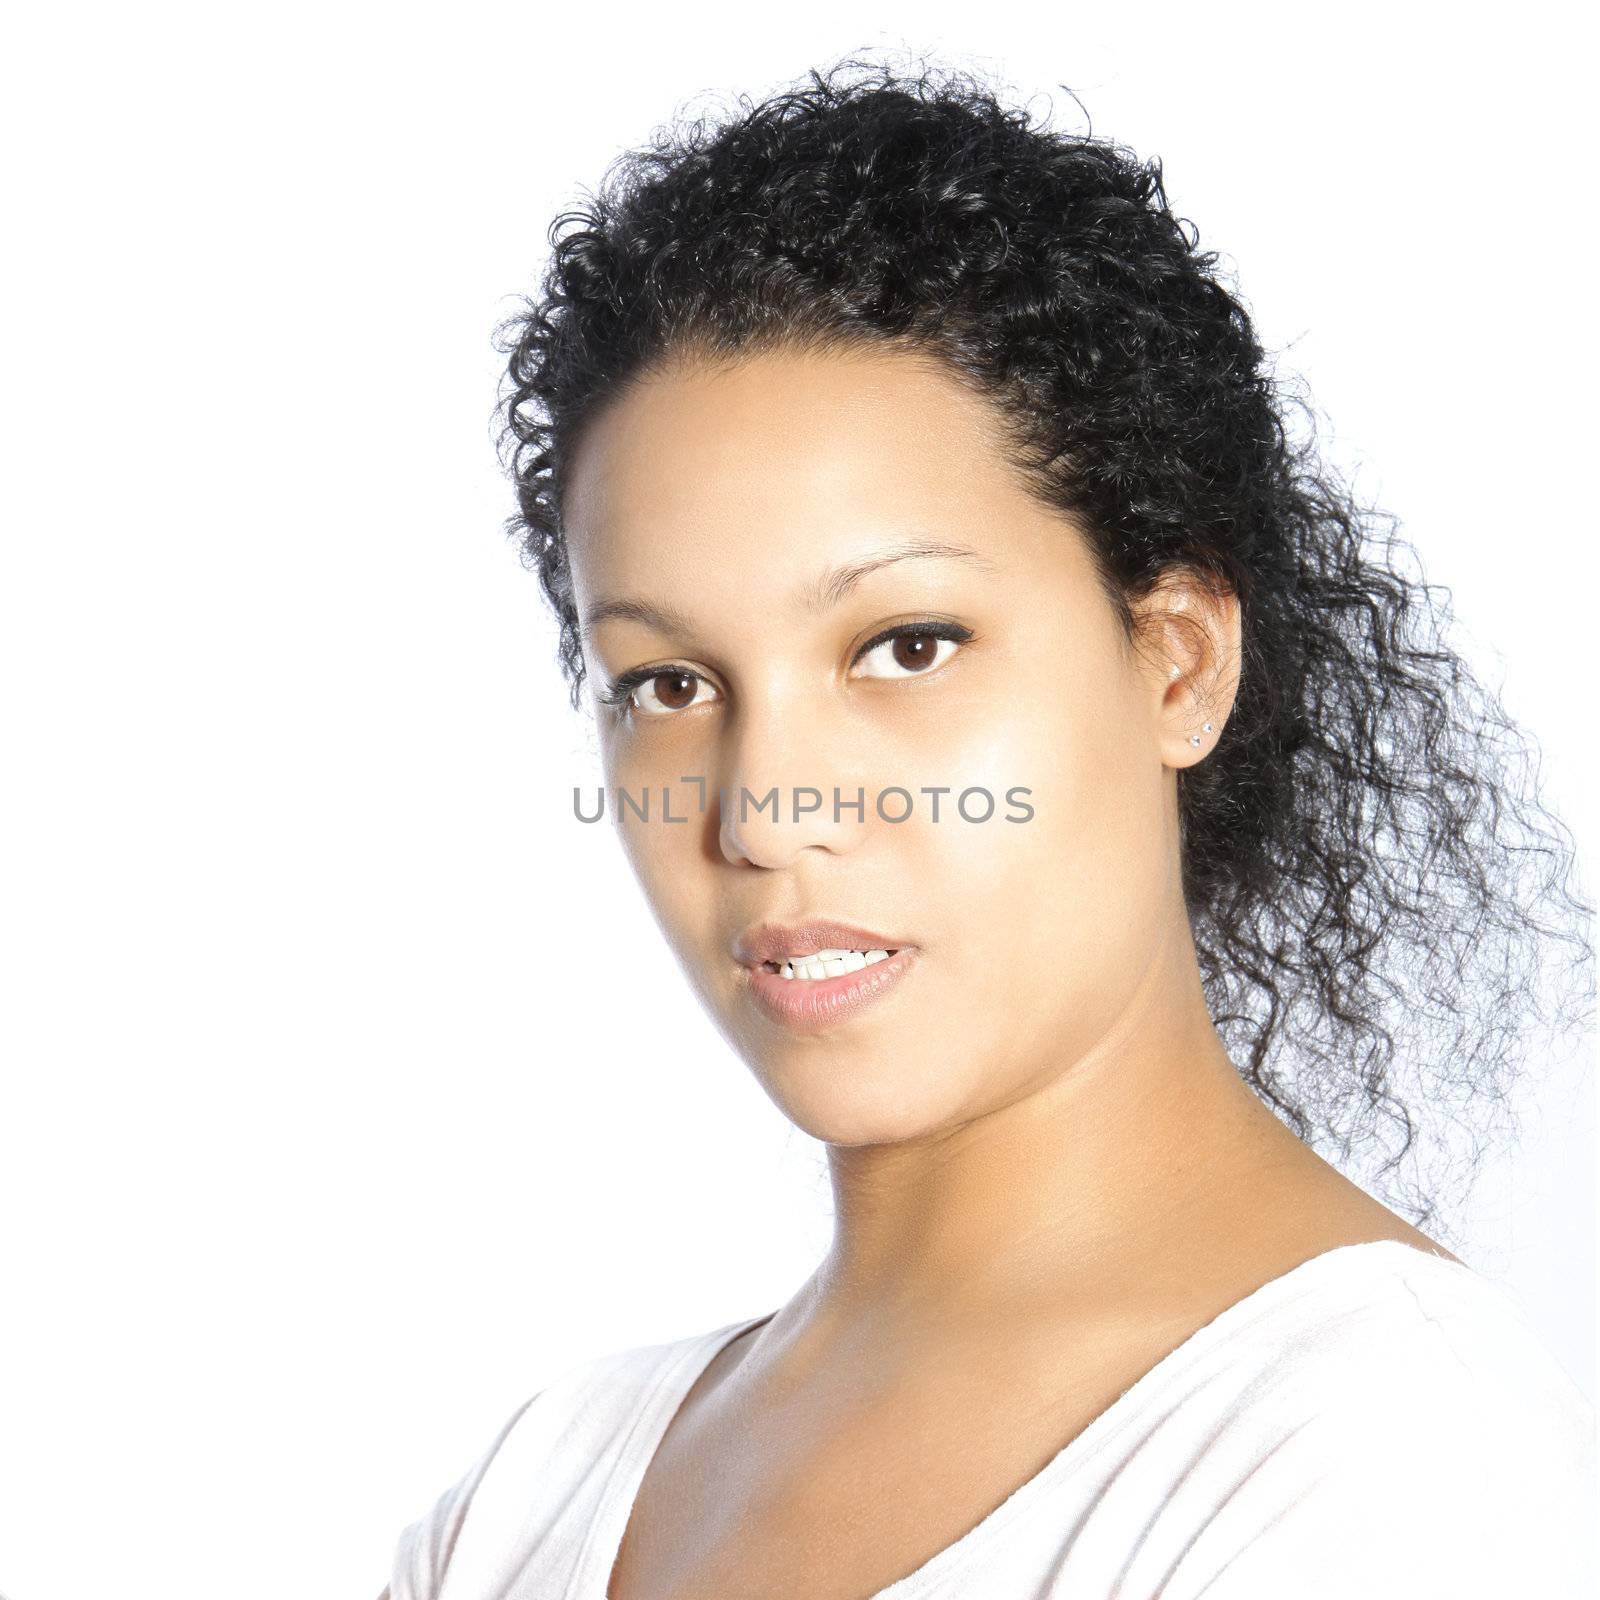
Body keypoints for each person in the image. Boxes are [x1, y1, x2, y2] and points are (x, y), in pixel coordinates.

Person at [381, 54, 1595, 1599]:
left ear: (1177, 662)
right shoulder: (533, 1497)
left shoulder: (1394, 1464)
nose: (764, 812)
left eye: (908, 645)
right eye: (670, 679)